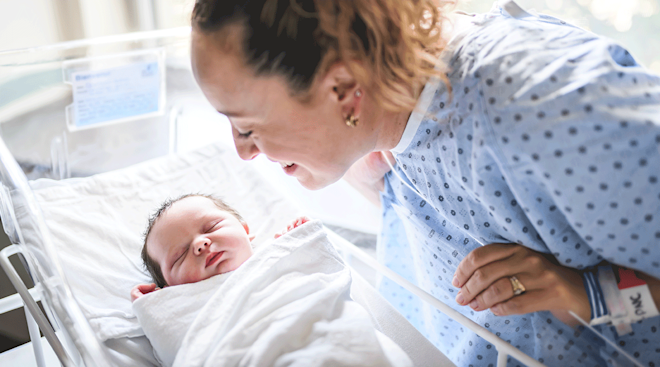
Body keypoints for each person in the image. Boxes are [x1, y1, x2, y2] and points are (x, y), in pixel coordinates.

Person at [188, 0, 660, 365]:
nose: (243, 150)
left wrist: (587, 294)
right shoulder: (391, 111)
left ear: (342, 89)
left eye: (248, 126)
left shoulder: (541, 105)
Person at [131, 194, 309, 301]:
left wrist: (299, 240)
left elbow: (318, 263)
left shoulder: (277, 252)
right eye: (180, 256)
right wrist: (154, 305)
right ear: (168, 288)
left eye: (212, 227)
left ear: (244, 230)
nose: (200, 244)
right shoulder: (185, 301)